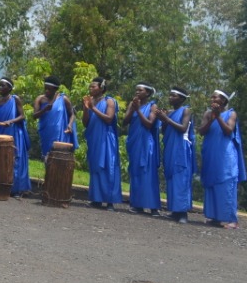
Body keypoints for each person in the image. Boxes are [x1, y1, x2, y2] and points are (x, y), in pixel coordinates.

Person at [198, 90, 247, 229]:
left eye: (215, 96)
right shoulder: (208, 114)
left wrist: (218, 117)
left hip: (225, 154)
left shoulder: (231, 114)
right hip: (211, 153)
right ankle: (214, 217)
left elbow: (228, 131)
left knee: (225, 184)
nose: (212, 98)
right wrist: (212, 119)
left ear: (223, 101)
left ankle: (231, 219)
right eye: (211, 96)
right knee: (211, 183)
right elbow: (201, 131)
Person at [81, 77, 123, 210]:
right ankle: (96, 199)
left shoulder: (109, 101)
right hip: (94, 137)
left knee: (108, 166)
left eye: (93, 87)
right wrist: (86, 109)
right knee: (95, 167)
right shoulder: (90, 102)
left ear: (101, 88)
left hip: (106, 138)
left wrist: (93, 108)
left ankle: (110, 201)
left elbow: (109, 119)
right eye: (90, 87)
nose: (91, 89)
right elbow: (85, 123)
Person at [156, 87, 195, 223]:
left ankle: (183, 212)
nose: (170, 97)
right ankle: (174, 210)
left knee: (181, 178)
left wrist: (166, 118)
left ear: (182, 98)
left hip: (181, 148)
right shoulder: (171, 113)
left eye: (174, 96)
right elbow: (164, 130)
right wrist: (163, 119)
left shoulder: (186, 110)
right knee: (171, 177)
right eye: (170, 95)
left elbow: (182, 128)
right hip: (171, 146)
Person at [122, 83, 161, 215]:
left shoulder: (152, 106)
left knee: (148, 173)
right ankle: (137, 204)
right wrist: (133, 109)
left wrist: (138, 110)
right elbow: (124, 121)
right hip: (134, 142)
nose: (137, 92)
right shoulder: (132, 105)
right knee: (136, 172)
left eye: (141, 90)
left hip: (146, 143)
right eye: (136, 90)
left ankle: (153, 206)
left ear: (148, 93)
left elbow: (149, 124)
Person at [0, 77, 31, 197]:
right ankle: (1, 185)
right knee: (0, 158)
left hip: (14, 131)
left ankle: (16, 189)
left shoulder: (15, 99)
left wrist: (11, 121)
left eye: (3, 86)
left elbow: (22, 116)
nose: (0, 88)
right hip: (1, 131)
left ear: (9, 88)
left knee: (15, 159)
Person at [33, 76, 78, 159]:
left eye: (49, 89)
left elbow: (72, 114)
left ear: (55, 89)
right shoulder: (40, 99)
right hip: (46, 132)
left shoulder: (63, 99)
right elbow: (34, 116)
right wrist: (44, 110)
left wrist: (70, 125)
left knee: (60, 156)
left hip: (61, 132)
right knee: (47, 156)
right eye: (45, 88)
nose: (46, 91)